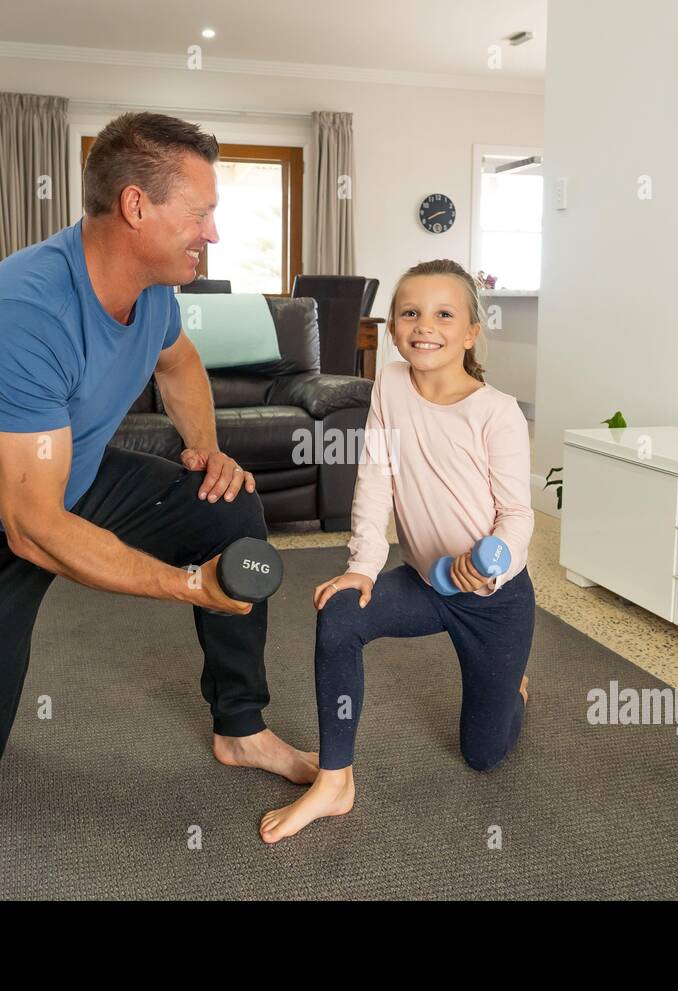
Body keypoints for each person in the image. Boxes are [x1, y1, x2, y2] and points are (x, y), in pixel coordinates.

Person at [0, 112, 317, 788]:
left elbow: (178, 364)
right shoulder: (19, 314)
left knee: (228, 507)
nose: (214, 233)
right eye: (201, 214)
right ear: (135, 206)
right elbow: (32, 528)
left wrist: (209, 451)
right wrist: (188, 583)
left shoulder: (154, 288)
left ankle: (241, 726)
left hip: (63, 479)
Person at [260, 259, 536, 843]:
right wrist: (362, 568)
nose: (423, 326)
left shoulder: (497, 412)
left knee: (483, 754)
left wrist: (492, 562)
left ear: (469, 331)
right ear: (391, 327)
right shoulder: (388, 381)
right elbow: (376, 475)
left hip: (491, 596)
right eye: (409, 313)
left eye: (443, 314)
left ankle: (511, 687)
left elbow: (517, 518)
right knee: (338, 615)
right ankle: (335, 781)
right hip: (425, 581)